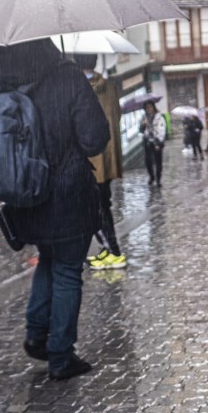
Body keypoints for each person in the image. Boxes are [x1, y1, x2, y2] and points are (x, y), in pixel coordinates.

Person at [0, 39, 109, 381]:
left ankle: (37, 335)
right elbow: (95, 139)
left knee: (48, 258)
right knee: (66, 268)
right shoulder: (67, 75)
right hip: (66, 194)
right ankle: (61, 355)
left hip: (20, 194)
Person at [74, 54, 127, 272]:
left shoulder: (79, 90)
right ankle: (107, 250)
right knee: (104, 205)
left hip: (90, 159)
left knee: (93, 210)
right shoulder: (109, 86)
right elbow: (117, 116)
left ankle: (114, 252)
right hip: (108, 156)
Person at [140, 100, 166, 186]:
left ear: (153, 107)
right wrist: (143, 125)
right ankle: (152, 177)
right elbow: (140, 131)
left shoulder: (159, 117)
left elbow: (162, 131)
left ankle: (158, 180)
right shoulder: (144, 118)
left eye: (150, 107)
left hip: (157, 142)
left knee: (158, 162)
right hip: (148, 142)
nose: (149, 109)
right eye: (147, 107)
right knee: (148, 162)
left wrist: (159, 143)